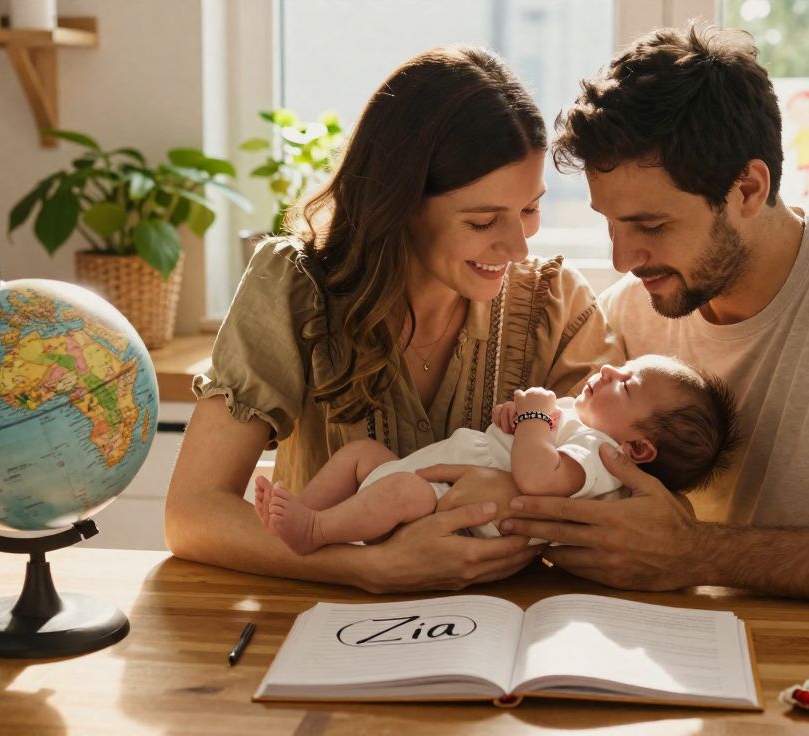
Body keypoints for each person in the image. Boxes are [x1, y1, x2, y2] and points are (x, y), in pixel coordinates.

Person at [494, 24, 809, 611]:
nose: (623, 259)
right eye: (610, 223)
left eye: (651, 226)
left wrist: (699, 553)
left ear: (747, 187)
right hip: (682, 650)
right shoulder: (634, 307)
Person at [164, 46, 623, 592]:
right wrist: (366, 567)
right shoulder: (294, 288)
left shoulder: (555, 303)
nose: (518, 247)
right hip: (324, 627)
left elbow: (619, 505)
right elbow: (191, 516)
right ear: (400, 204)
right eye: (482, 221)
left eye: (529, 209)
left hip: (503, 633)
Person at [254, 355, 736, 554]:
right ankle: (301, 512)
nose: (609, 369)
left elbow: (539, 478)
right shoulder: (581, 425)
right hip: (436, 479)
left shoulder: (603, 455)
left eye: (626, 384)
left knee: (401, 489)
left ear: (639, 449)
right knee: (361, 453)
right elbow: (525, 443)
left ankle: (315, 530)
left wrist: (532, 420)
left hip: (447, 507)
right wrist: (518, 417)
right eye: (624, 366)